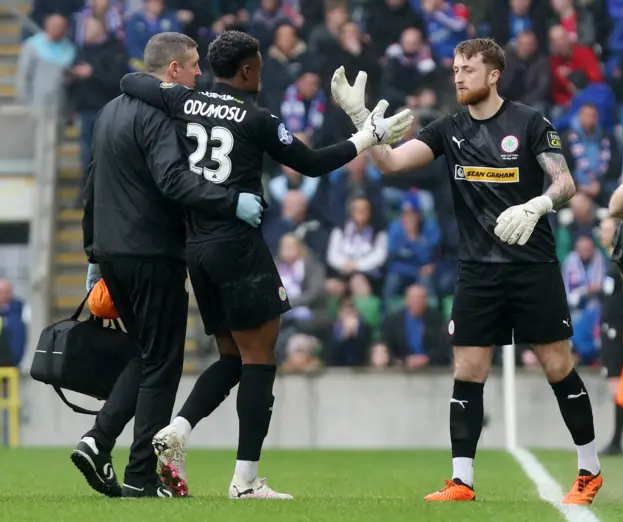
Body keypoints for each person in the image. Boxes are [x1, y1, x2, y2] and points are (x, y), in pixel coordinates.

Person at [119, 30, 412, 499]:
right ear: (250, 69)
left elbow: (132, 82)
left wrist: (167, 88)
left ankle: (178, 428)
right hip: (238, 244)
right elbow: (312, 163)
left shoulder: (184, 102)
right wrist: (366, 136)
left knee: (232, 356)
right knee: (260, 359)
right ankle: (245, 480)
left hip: (197, 247)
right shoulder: (256, 118)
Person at [332, 37, 603, 505]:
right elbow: (392, 163)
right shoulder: (448, 128)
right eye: (455, 69)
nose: (457, 76)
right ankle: (461, 480)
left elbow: (565, 182)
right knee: (468, 369)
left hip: (532, 265)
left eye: (468, 69)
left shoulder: (529, 121)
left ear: (493, 75)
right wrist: (363, 125)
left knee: (558, 366)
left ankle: (589, 470)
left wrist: (538, 204)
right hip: (478, 270)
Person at [73, 32, 264, 499]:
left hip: (113, 252)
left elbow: (92, 186)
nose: (200, 72)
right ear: (173, 70)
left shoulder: (109, 112)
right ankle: (141, 476)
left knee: (144, 353)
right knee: (163, 363)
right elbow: (174, 180)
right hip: (152, 253)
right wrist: (230, 201)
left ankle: (97, 441)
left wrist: (93, 255)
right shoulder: (160, 113)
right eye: (194, 64)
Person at [597, 217, 623, 455]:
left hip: (619, 330)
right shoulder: (611, 258)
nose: (602, 233)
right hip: (611, 328)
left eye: (607, 230)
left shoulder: (622, 258)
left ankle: (622, 440)